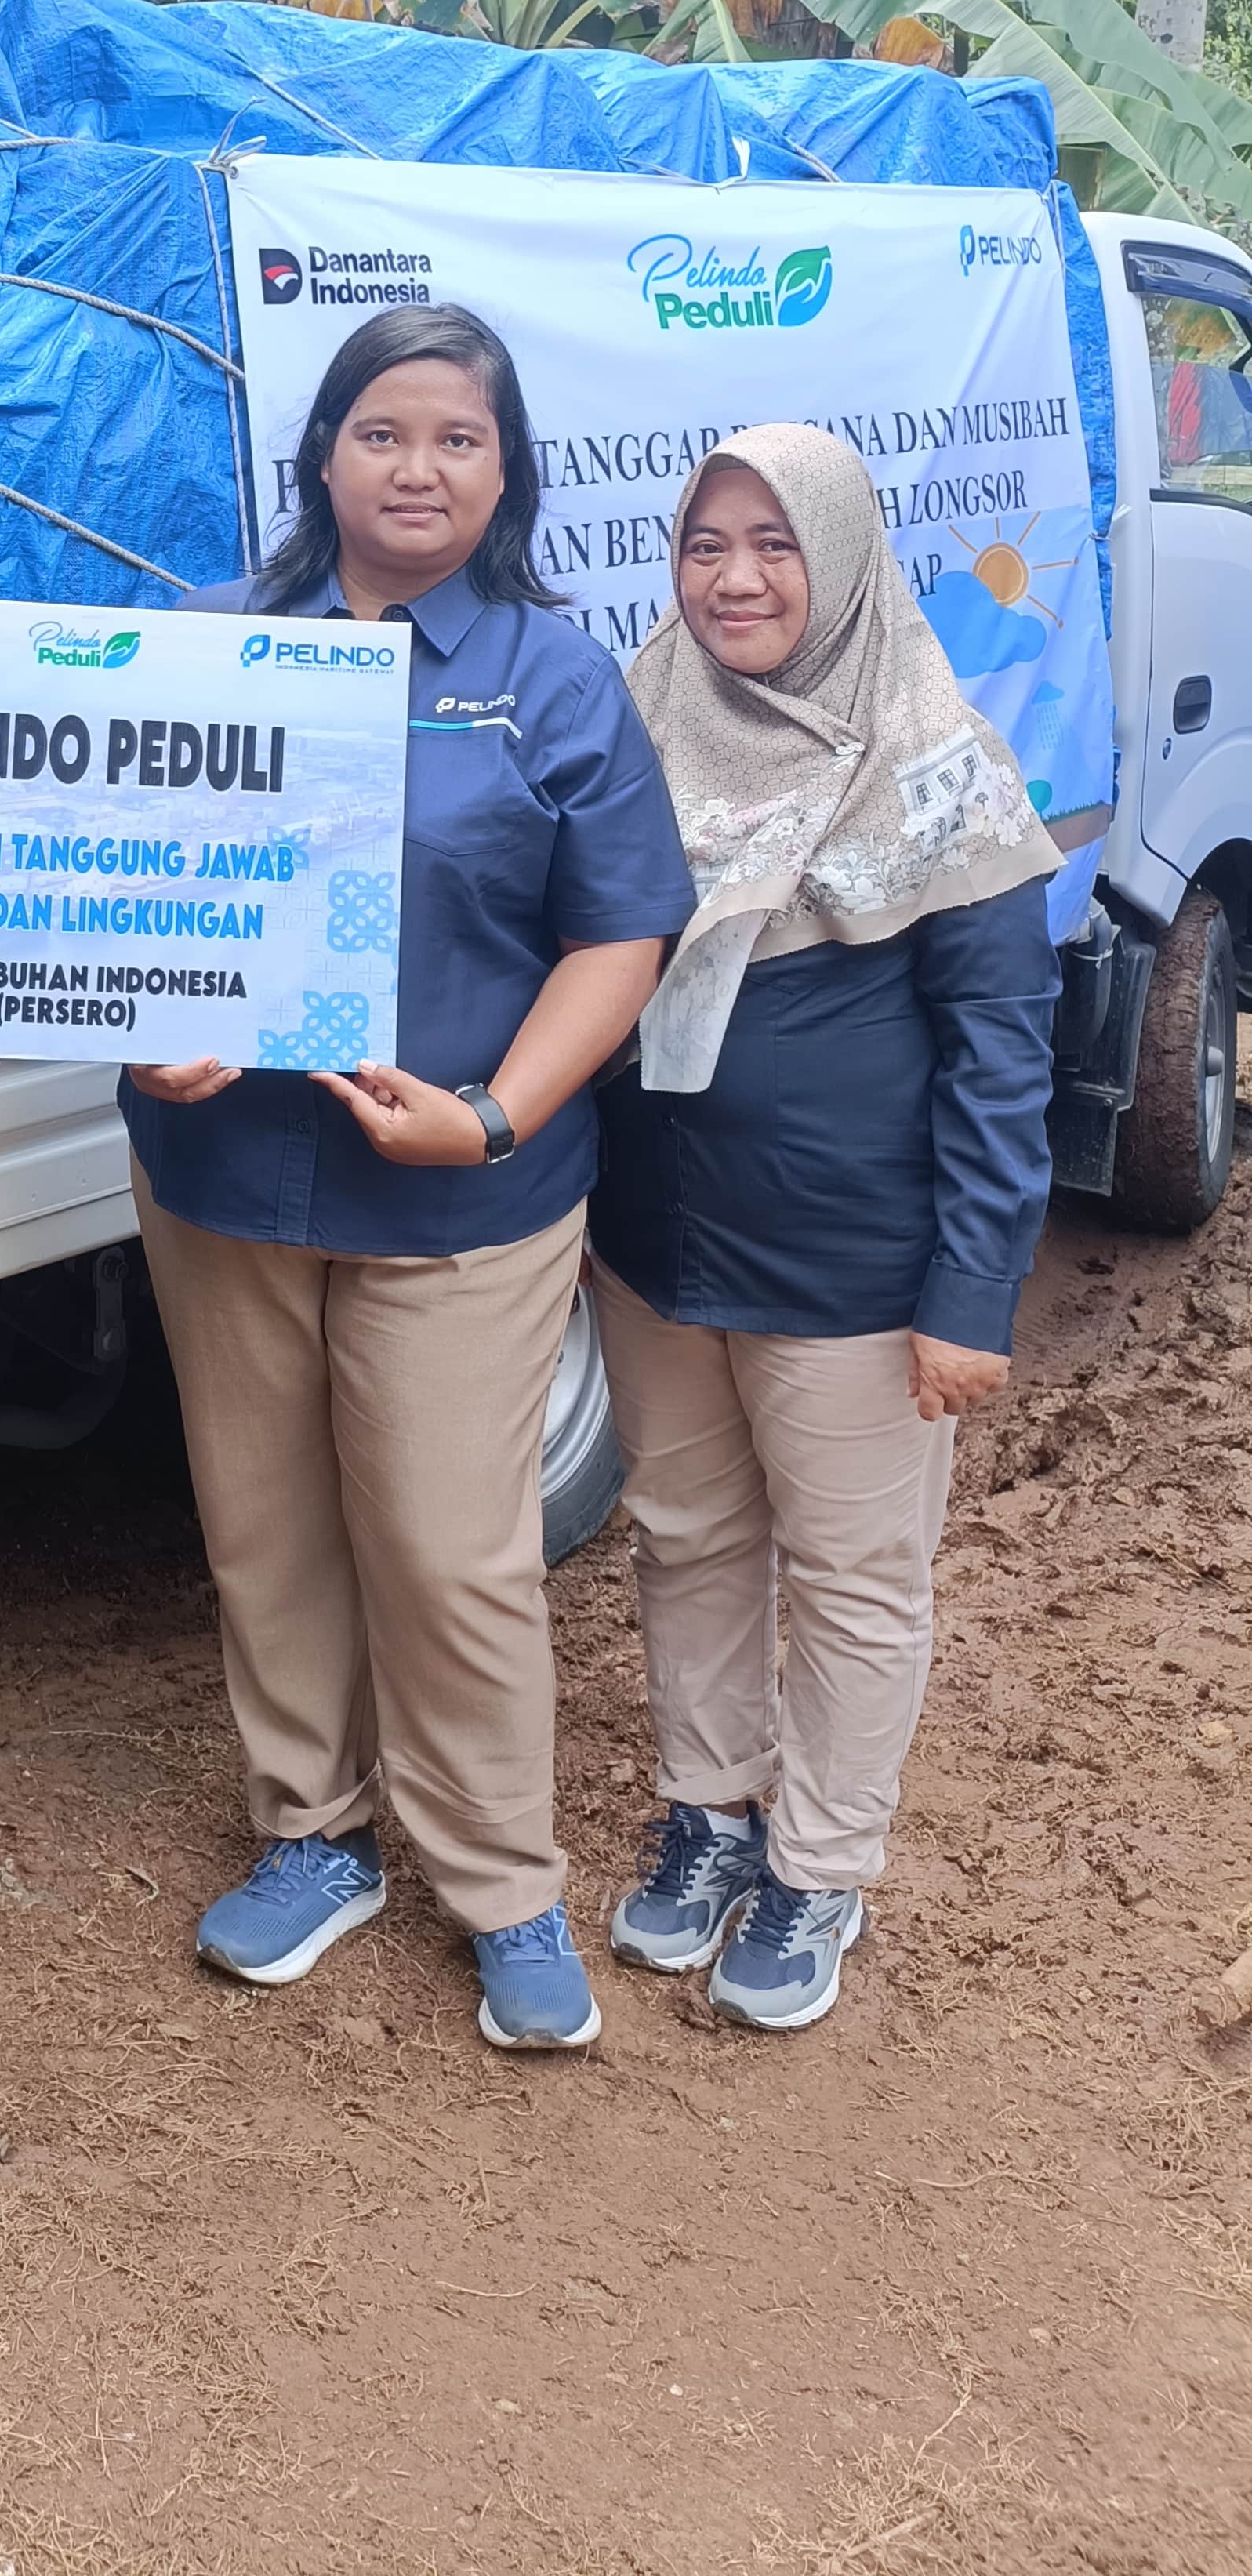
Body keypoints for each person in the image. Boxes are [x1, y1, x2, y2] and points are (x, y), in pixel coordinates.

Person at [126, 304, 694, 2052]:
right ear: (322, 453)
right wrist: (148, 1024)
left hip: (462, 1194)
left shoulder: (552, 672)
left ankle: (501, 1874)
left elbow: (624, 930)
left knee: (454, 1547)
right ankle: (314, 1831)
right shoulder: (209, 640)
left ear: (505, 467)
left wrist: (501, 1112)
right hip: (226, 1177)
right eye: (384, 431)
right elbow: (102, 882)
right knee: (266, 1524)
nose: (419, 466)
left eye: (458, 435)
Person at [591, 423, 1059, 2030]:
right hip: (658, 1246)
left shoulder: (932, 759)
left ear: (845, 555)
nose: (734, 577)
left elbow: (1006, 1049)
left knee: (857, 1576)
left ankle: (820, 1866)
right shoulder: (637, 713)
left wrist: (972, 1294)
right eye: (706, 542)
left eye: (775, 543)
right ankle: (712, 1814)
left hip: (858, 1270)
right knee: (688, 1536)